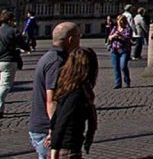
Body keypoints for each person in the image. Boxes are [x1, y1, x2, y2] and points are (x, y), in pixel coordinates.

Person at [28, 22, 81, 159]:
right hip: (46, 128)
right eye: (78, 37)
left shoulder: (50, 57)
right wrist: (54, 131)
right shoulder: (56, 62)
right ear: (70, 39)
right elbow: (51, 100)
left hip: (41, 125)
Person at [49, 47, 98, 159]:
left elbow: (56, 116)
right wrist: (54, 151)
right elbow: (62, 120)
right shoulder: (77, 93)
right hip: (67, 146)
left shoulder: (68, 87)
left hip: (68, 145)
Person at [0, 10, 25, 119]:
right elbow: (23, 44)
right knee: (4, 86)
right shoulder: (13, 31)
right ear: (10, 20)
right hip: (8, 60)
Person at [107, 15, 133, 89]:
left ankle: (127, 81)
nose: (120, 22)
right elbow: (109, 37)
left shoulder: (127, 29)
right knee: (116, 67)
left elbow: (127, 38)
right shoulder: (115, 28)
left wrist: (120, 35)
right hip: (114, 50)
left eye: (121, 21)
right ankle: (118, 83)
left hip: (124, 50)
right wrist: (113, 36)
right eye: (119, 20)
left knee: (123, 66)